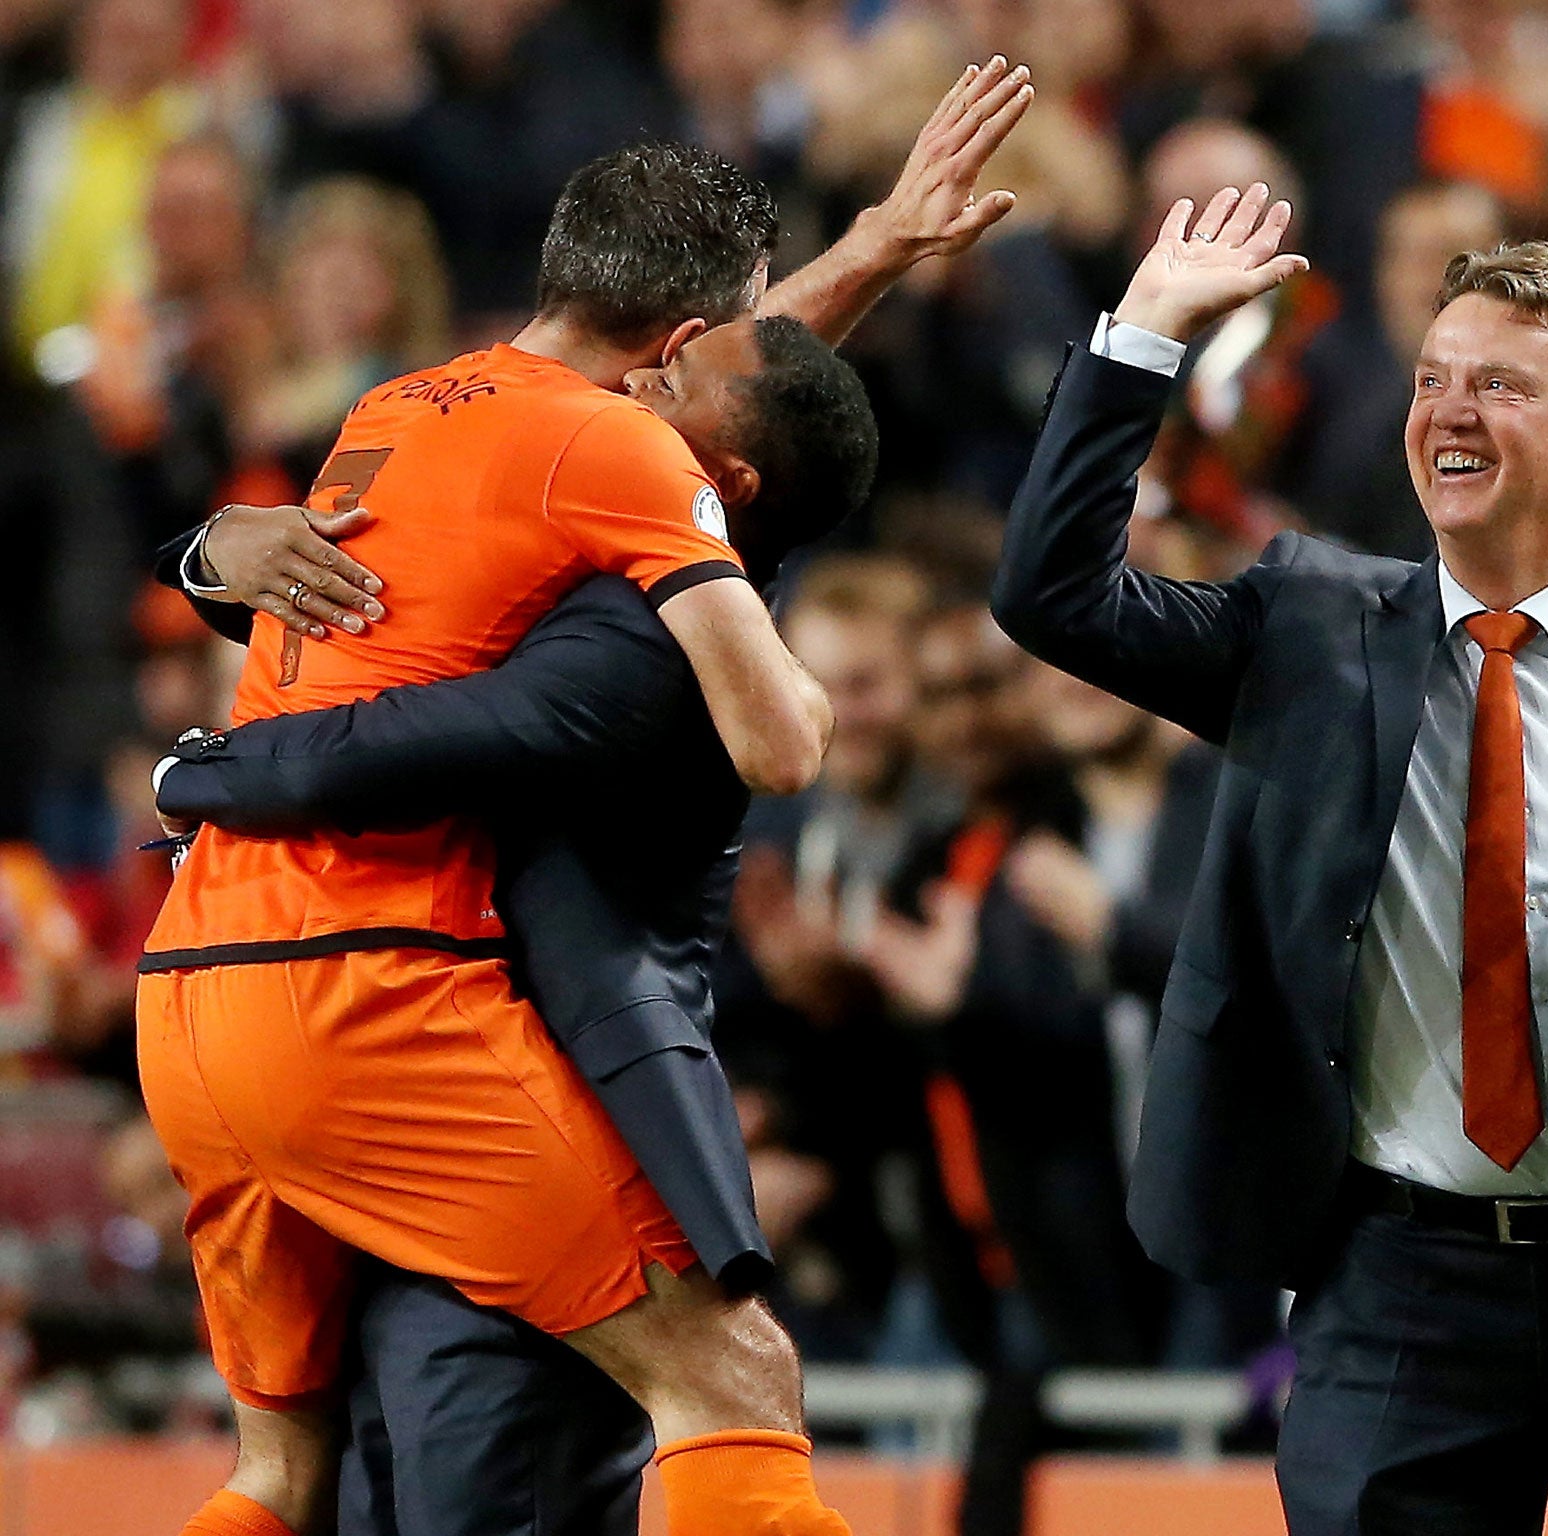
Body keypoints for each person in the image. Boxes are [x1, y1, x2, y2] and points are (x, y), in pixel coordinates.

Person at [139, 61, 1034, 1536]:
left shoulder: (398, 403)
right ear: (677, 340)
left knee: (273, 1478)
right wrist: (807, 680)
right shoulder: (618, 445)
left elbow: (715, 419)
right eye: (737, 318)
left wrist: (869, 251)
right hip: (368, 991)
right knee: (732, 1379)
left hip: (189, 991)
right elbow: (779, 732)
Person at [990, 186, 1548, 1535]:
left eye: (1501, 386)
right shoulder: (1302, 624)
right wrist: (1146, 339)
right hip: (1397, 1288)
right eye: (1431, 380)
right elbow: (1050, 595)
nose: (1449, 411)